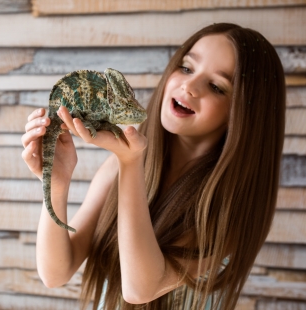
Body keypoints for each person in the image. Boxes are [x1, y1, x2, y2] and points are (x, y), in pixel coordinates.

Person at [21, 23, 286, 310]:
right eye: (186, 68)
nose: (189, 86)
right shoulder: (120, 166)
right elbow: (56, 273)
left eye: (216, 86)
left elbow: (139, 289)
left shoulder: (229, 204)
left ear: (241, 115)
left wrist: (130, 162)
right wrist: (56, 185)